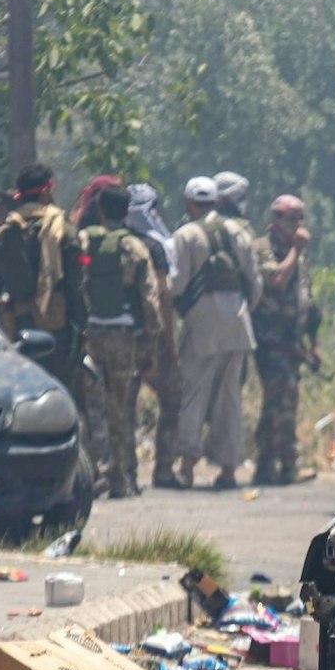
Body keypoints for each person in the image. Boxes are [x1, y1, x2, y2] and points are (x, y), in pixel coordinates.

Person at [171, 175, 259, 490]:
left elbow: (177, 284)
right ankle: (228, 471)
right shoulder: (239, 231)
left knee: (194, 395)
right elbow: (254, 282)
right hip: (238, 325)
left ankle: (189, 468)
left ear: (188, 202)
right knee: (229, 398)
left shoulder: (185, 235)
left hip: (203, 326)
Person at [77, 185, 163, 499]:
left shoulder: (84, 241)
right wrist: (150, 345)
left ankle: (93, 472)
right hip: (123, 338)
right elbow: (150, 301)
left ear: (99, 210)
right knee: (121, 407)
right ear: (126, 212)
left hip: (89, 336)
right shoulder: (135, 248)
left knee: (92, 407)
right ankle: (122, 479)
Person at [0, 164, 89, 392]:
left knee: (22, 389)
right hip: (56, 327)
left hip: (16, 326)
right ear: (45, 192)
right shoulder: (64, 230)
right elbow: (75, 284)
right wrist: (83, 324)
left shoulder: (3, 234)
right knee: (57, 390)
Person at [251, 195, 322, 486]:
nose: (297, 225)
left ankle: (266, 465)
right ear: (276, 220)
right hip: (269, 339)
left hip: (291, 341)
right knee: (285, 397)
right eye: (291, 219)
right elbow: (277, 279)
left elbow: (308, 301)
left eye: (299, 219)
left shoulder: (299, 255)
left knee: (276, 403)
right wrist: (295, 250)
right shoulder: (263, 249)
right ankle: (288, 464)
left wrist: (312, 343)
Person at [125, 183, 187, 487]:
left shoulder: (117, 242)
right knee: (172, 396)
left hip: (119, 335)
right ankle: (163, 469)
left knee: (124, 405)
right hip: (152, 337)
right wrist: (170, 346)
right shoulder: (155, 246)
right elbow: (164, 295)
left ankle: (126, 473)